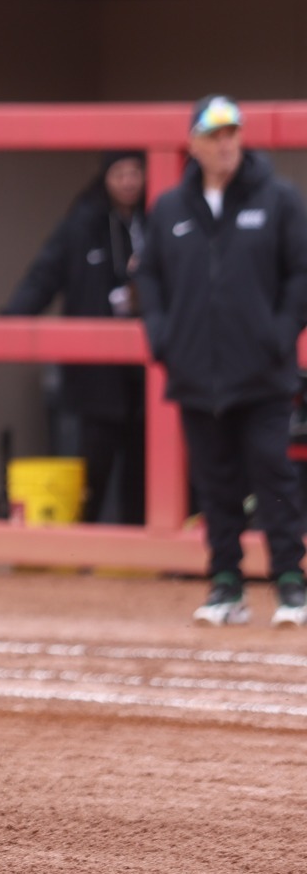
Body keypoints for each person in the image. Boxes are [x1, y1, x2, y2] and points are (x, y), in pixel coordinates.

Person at [133, 95, 307, 627]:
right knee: (214, 481)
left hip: (263, 374)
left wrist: (278, 336)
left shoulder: (280, 200)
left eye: (232, 133)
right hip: (195, 375)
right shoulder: (168, 209)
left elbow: (300, 275)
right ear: (194, 144)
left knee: (272, 474)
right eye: (214, 135)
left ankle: (291, 582)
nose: (226, 143)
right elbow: (150, 279)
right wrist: (163, 340)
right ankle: (225, 583)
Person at [0, 151, 150, 525]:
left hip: (150, 366)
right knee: (94, 463)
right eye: (120, 173)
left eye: (136, 172)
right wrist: (9, 321)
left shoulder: (160, 219)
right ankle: (83, 547)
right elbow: (44, 276)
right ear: (105, 177)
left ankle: (142, 553)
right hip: (97, 371)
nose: (129, 181)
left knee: (146, 463)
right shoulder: (82, 223)